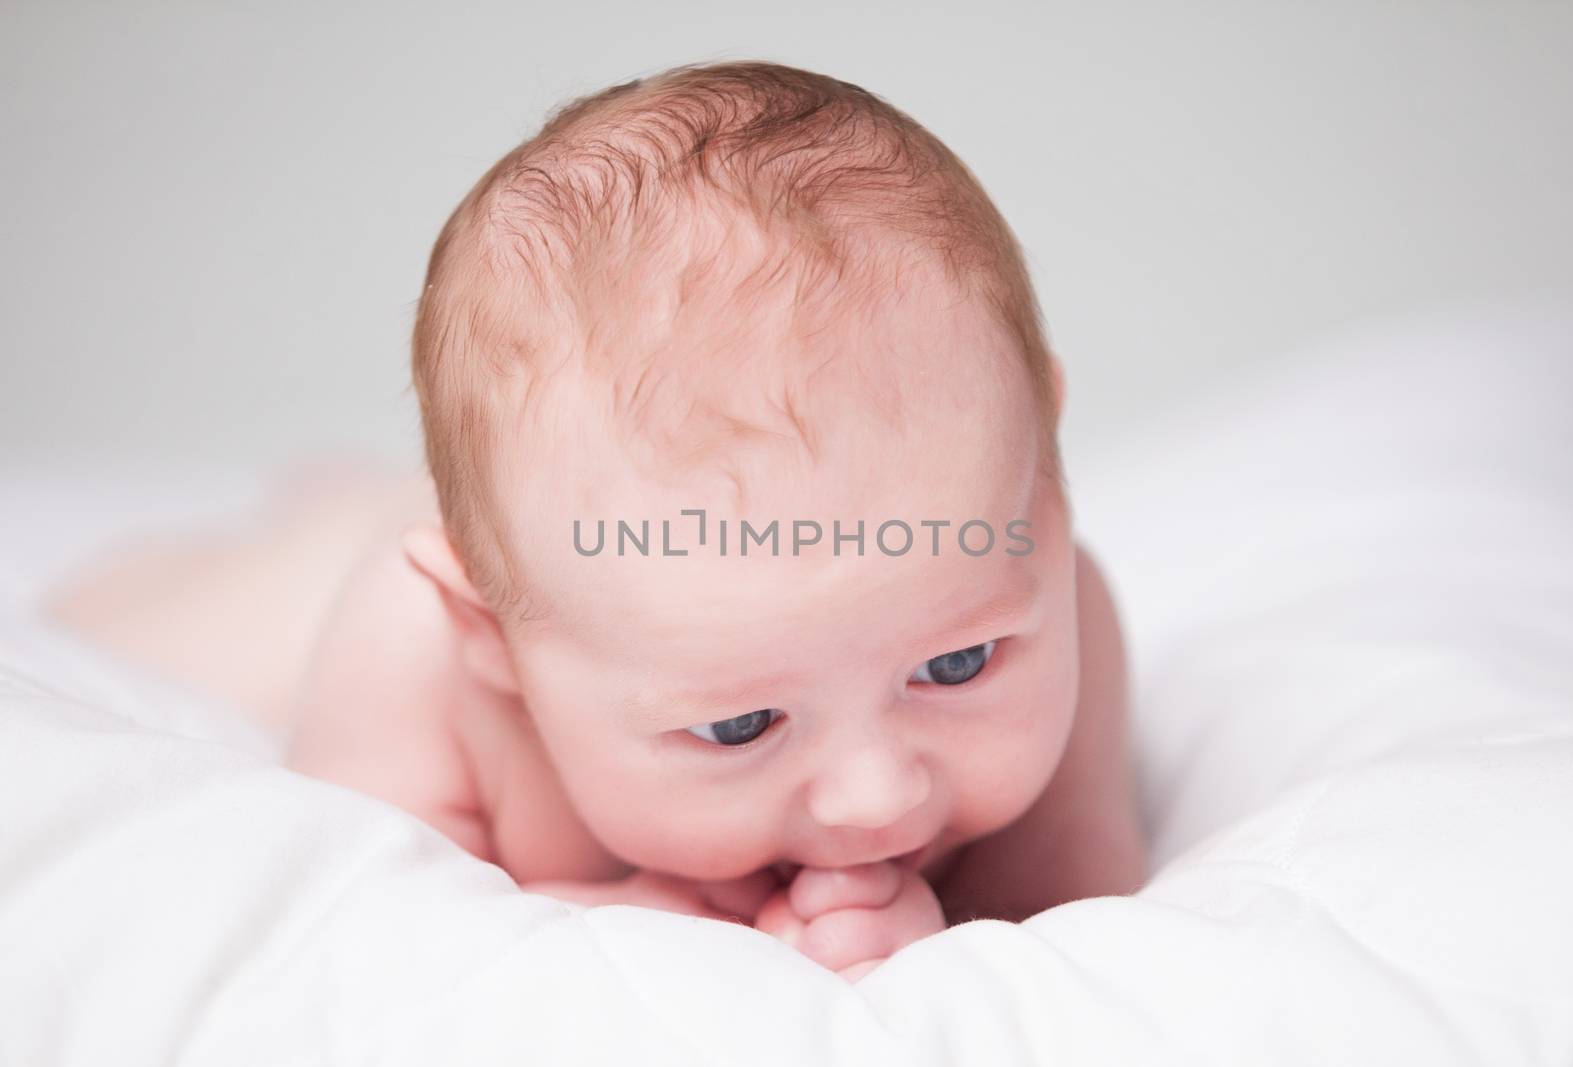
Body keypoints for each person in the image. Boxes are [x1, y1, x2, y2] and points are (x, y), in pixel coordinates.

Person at [41, 59, 1146, 981]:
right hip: (345, 591)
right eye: (737, 725)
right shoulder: (421, 657)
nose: (877, 794)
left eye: (956, 664)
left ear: (1044, 487)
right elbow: (373, 932)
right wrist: (653, 921)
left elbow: (1062, 910)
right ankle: (323, 510)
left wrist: (929, 945)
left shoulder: (1055, 598)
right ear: (490, 635)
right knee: (157, 616)